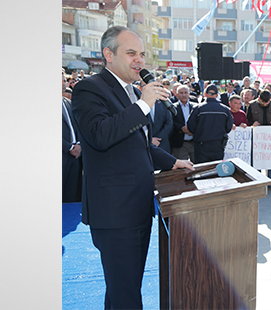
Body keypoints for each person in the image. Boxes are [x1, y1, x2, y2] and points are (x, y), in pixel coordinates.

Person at [71, 26, 194, 310]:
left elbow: (139, 145)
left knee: (123, 289)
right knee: (126, 294)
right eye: (131, 53)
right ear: (108, 54)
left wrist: (172, 161)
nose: (139, 60)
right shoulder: (89, 88)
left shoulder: (130, 93)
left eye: (141, 54)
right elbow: (100, 135)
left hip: (138, 207)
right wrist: (143, 103)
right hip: (114, 212)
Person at [186, 84, 234, 163]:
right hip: (218, 144)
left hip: (201, 144)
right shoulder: (225, 109)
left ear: (205, 94)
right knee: (216, 170)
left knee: (202, 170)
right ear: (216, 95)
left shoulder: (198, 108)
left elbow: (191, 127)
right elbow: (228, 128)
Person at [247, 90, 271, 192]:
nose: (265, 104)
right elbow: (248, 119)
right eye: (263, 102)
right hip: (257, 137)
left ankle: (270, 181)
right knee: (257, 159)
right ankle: (258, 182)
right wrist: (252, 124)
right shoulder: (252, 105)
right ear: (259, 99)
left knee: (270, 160)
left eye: (267, 102)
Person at [62, 71, 82, 203]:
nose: (64, 84)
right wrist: (69, 147)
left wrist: (79, 145)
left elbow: (76, 126)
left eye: (64, 81)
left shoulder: (67, 102)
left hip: (74, 158)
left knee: (71, 195)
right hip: (62, 155)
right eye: (61, 81)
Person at [170, 84, 197, 162]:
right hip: (180, 143)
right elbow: (171, 122)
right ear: (177, 95)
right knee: (182, 169)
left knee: (197, 167)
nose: (184, 95)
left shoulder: (195, 107)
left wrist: (191, 130)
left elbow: (199, 122)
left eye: (186, 92)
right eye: (181, 93)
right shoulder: (173, 108)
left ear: (189, 94)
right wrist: (182, 128)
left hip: (194, 142)